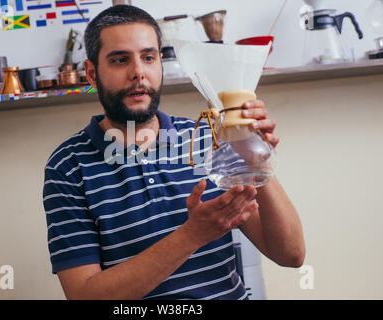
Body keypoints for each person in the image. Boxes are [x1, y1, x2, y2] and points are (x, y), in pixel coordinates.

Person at [42, 5, 305, 300]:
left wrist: (256, 160)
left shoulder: (208, 138)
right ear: (92, 73)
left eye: (149, 57)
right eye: (119, 60)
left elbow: (291, 255)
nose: (138, 72)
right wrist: (191, 235)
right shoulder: (68, 167)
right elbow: (84, 295)